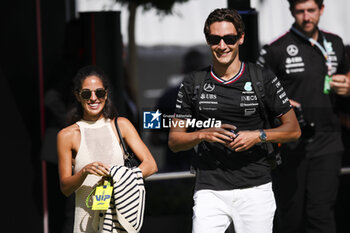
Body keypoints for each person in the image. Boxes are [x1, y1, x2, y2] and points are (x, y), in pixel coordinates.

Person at [168, 8, 301, 233]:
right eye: (215, 39)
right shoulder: (193, 82)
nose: (222, 46)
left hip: (255, 188)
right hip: (209, 189)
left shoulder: (262, 78)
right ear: (207, 40)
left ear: (240, 38)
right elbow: (175, 140)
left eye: (229, 39)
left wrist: (258, 136)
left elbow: (293, 130)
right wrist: (203, 134)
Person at [256, 1, 350, 232]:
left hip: (328, 140)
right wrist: (282, 104)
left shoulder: (335, 42)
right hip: (291, 143)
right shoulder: (275, 48)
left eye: (311, 10)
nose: (306, 17)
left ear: (321, 9)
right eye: (300, 11)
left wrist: (348, 85)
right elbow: (256, 92)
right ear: (292, 12)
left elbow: (346, 76)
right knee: (291, 216)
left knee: (321, 214)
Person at [57, 65, 158, 233]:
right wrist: (84, 172)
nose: (93, 98)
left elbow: (151, 165)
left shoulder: (121, 125)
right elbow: (65, 187)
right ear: (77, 96)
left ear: (106, 93)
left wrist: (120, 178)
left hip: (119, 221)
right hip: (85, 224)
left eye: (100, 93)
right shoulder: (67, 135)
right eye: (86, 94)